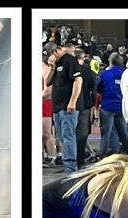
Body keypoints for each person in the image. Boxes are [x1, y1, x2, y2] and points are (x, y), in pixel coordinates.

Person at [45, 41, 85, 173]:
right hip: (57, 106)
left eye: (51, 55)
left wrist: (73, 101)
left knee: (68, 135)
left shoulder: (69, 60)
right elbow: (48, 82)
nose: (51, 58)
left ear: (55, 51)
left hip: (67, 106)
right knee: (61, 136)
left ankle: (70, 166)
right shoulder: (56, 64)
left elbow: (78, 80)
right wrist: (52, 66)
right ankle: (68, 163)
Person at [96, 53, 128, 156]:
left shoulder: (104, 74)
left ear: (110, 62)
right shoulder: (125, 74)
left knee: (106, 133)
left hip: (107, 106)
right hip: (121, 106)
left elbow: (98, 88)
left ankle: (103, 156)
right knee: (123, 133)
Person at [43, 52, 57, 167]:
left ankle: (50, 157)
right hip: (44, 102)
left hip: (45, 103)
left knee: (47, 133)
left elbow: (47, 92)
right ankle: (47, 156)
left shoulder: (46, 70)